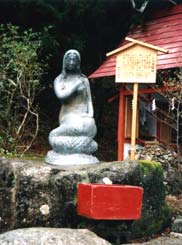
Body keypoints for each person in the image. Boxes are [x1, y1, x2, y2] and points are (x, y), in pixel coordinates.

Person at [45, 50, 98, 165]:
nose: (72, 62)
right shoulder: (59, 80)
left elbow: (89, 100)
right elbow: (61, 96)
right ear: (64, 61)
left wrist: (90, 115)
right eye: (69, 59)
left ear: (78, 62)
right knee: (55, 137)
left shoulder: (84, 80)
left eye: (75, 59)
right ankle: (78, 144)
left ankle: (74, 146)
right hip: (68, 115)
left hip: (84, 116)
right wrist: (75, 86)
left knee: (91, 133)